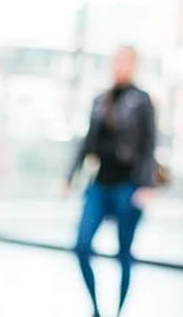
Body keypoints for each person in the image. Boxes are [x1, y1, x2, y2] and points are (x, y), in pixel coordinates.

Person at [65, 46, 159, 317]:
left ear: (134, 65)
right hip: (99, 183)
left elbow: (150, 144)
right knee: (81, 245)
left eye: (125, 61)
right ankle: (95, 308)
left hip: (128, 184)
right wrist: (70, 175)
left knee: (124, 253)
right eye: (116, 60)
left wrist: (146, 186)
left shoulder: (142, 100)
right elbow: (87, 142)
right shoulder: (100, 100)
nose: (119, 65)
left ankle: (118, 311)